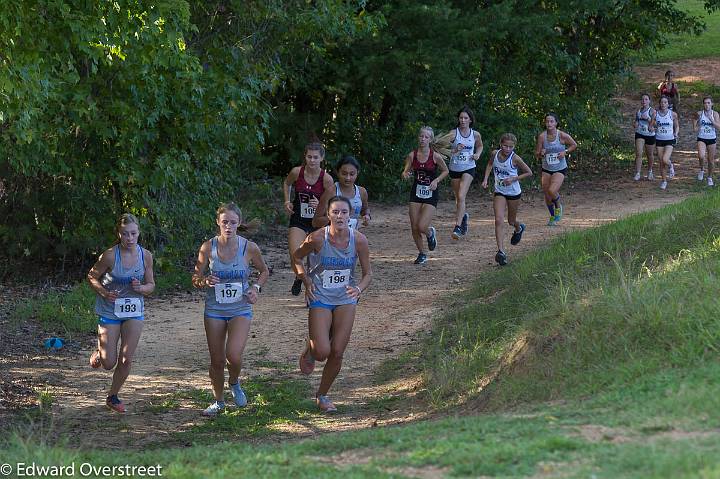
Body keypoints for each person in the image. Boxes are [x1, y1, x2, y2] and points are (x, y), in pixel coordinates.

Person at [293, 196, 372, 413]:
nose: (339, 216)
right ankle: (310, 350)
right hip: (320, 296)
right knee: (322, 352)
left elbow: (367, 274)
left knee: (337, 351)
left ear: (350, 215)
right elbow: (297, 258)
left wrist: (358, 289)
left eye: (344, 212)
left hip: (345, 297)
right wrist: (305, 279)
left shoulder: (359, 240)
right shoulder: (317, 238)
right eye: (335, 212)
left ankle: (323, 395)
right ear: (328, 215)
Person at [192, 203, 269, 417]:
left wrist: (255, 287)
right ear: (218, 222)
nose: (228, 226)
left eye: (233, 222)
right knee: (216, 360)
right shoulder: (208, 247)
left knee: (233, 356)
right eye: (224, 222)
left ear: (239, 224)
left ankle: (234, 382)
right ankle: (218, 401)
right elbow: (195, 278)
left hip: (240, 308)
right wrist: (205, 280)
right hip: (215, 309)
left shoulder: (249, 247)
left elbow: (264, 271)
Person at [87, 213, 155, 413]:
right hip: (110, 311)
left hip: (134, 311)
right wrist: (104, 292)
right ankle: (101, 353)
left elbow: (151, 285)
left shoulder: (146, 256)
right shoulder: (109, 255)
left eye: (133, 234)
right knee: (109, 363)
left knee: (126, 358)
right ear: (119, 234)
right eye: (125, 234)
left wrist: (141, 288)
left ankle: (113, 396)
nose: (130, 238)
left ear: (139, 233)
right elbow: (91, 277)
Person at [283, 142, 334, 296]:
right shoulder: (297, 172)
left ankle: (310, 289)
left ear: (322, 158)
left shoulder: (326, 179)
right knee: (295, 255)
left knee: (315, 260)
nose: (312, 160)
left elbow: (332, 205)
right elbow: (286, 183)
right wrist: (287, 201)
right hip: (298, 219)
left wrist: (320, 204)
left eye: (315, 157)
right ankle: (302, 279)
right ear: (305, 156)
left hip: (317, 222)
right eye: (309, 157)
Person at [481, 133, 533, 265]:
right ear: (500, 144)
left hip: (513, 192)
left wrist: (513, 178)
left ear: (514, 146)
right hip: (499, 191)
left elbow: (529, 172)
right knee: (498, 219)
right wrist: (486, 179)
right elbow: (489, 165)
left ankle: (518, 227)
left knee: (511, 221)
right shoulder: (495, 154)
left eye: (511, 147)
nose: (508, 149)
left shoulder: (515, 158)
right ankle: (501, 252)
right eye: (505, 146)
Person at [400, 126, 449, 264]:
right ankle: (422, 253)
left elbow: (446, 171)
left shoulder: (435, 156)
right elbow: (405, 171)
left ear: (430, 140)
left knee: (422, 226)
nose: (423, 139)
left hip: (431, 193)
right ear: (418, 137)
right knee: (414, 226)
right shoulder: (412, 155)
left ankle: (430, 233)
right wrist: (406, 175)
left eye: (426, 137)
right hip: (416, 192)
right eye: (421, 136)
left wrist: (436, 180)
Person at [436, 106, 483, 239]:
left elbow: (480, 145)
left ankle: (457, 227)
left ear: (470, 120)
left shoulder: (475, 134)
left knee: (461, 196)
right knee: (458, 198)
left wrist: (477, 154)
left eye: (465, 118)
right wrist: (455, 150)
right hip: (455, 168)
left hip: (469, 167)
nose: (462, 120)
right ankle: (463, 218)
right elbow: (439, 148)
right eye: (461, 118)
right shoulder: (453, 133)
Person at [534, 113, 577, 226]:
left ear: (556, 123)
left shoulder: (562, 135)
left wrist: (565, 152)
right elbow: (537, 154)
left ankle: (558, 205)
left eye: (551, 121)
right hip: (546, 168)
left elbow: (574, 145)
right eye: (547, 121)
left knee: (552, 191)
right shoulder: (542, 137)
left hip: (560, 168)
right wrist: (541, 153)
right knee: (547, 196)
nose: (549, 124)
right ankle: (553, 216)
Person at [313, 156, 371, 230]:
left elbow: (365, 209)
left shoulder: (362, 192)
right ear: (338, 172)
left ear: (357, 173)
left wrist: (367, 216)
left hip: (353, 236)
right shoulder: (331, 192)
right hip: (333, 237)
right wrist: (334, 217)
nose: (348, 178)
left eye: (352, 174)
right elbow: (315, 222)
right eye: (344, 174)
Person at [654, 96, 679, 190]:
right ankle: (664, 181)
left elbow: (677, 126)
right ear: (660, 104)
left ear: (668, 104)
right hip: (659, 139)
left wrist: (676, 133)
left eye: (665, 102)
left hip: (669, 139)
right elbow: (652, 125)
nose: (663, 104)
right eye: (662, 102)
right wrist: (652, 127)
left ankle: (671, 165)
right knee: (661, 163)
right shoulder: (656, 114)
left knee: (665, 159)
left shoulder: (673, 114)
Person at [694, 96, 720, 186]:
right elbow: (695, 127)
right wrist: (696, 126)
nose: (707, 105)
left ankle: (709, 177)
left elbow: (718, 127)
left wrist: (711, 119)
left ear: (712, 104)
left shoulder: (715, 114)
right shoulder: (700, 113)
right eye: (705, 103)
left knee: (711, 161)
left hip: (712, 139)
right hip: (701, 138)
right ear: (703, 104)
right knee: (701, 156)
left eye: (709, 103)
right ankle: (701, 170)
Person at [633, 93, 656, 181]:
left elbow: (656, 124)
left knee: (649, 155)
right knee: (639, 153)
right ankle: (638, 173)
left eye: (646, 99)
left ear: (649, 101)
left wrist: (648, 119)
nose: (644, 101)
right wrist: (635, 124)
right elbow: (636, 122)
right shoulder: (638, 111)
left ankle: (650, 171)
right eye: (642, 99)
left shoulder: (652, 111)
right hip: (640, 134)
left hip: (650, 135)